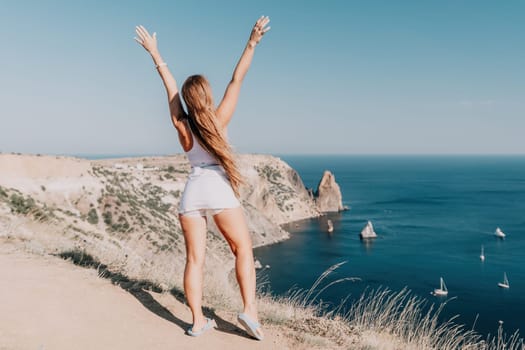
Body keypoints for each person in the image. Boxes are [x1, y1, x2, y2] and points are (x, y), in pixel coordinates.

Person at [134, 16, 270, 340]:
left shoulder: (182, 125)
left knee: (194, 260)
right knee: (243, 250)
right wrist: (252, 43)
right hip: (219, 190)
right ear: (206, 96)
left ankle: (197, 322)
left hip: (192, 191)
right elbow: (237, 79)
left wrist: (155, 53)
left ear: (187, 99)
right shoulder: (219, 121)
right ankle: (249, 311)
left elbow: (168, 86)